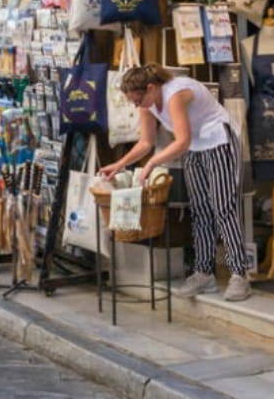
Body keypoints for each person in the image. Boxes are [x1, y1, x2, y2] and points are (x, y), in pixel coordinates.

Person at [98, 63, 251, 301]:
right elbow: (145, 143)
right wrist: (119, 165)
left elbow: (181, 140)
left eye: (138, 100)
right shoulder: (148, 102)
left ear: (150, 88)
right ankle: (204, 272)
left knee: (224, 207)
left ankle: (239, 274)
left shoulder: (174, 93)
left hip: (218, 139)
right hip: (195, 147)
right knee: (200, 210)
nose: (138, 106)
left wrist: (151, 163)